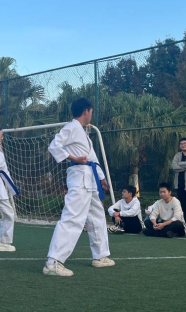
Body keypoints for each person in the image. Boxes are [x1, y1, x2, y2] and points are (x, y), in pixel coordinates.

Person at [43, 98, 114, 277]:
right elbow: (54, 146)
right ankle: (53, 262)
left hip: (90, 179)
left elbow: (92, 158)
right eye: (91, 112)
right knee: (73, 218)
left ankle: (100, 256)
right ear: (86, 111)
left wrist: (101, 178)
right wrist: (73, 158)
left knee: (97, 217)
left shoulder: (83, 133)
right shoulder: (71, 127)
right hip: (79, 178)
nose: (91, 115)